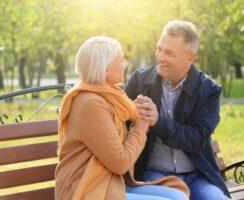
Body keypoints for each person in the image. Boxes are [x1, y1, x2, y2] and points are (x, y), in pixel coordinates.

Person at [55, 36, 189, 200]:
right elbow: (120, 163)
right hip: (89, 189)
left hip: (111, 183)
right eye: (121, 60)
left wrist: (138, 110)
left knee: (178, 196)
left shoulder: (108, 96)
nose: (125, 64)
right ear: (104, 69)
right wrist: (140, 126)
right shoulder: (90, 103)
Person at [125, 20, 231, 200]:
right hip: (155, 175)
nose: (160, 57)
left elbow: (196, 139)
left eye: (169, 53)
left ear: (190, 56)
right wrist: (130, 113)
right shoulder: (140, 81)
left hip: (197, 176)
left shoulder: (209, 90)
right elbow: (118, 122)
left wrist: (158, 121)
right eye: (159, 49)